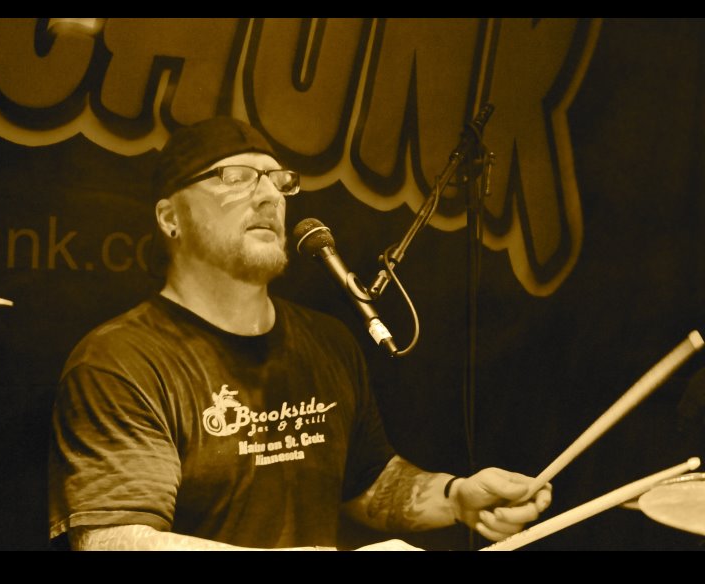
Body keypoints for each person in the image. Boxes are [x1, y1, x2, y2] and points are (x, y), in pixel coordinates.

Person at [48, 116, 552, 551]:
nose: (270, 196)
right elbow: (115, 539)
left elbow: (368, 482)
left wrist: (455, 497)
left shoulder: (326, 341)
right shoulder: (121, 359)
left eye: (279, 181)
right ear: (170, 218)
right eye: (236, 177)